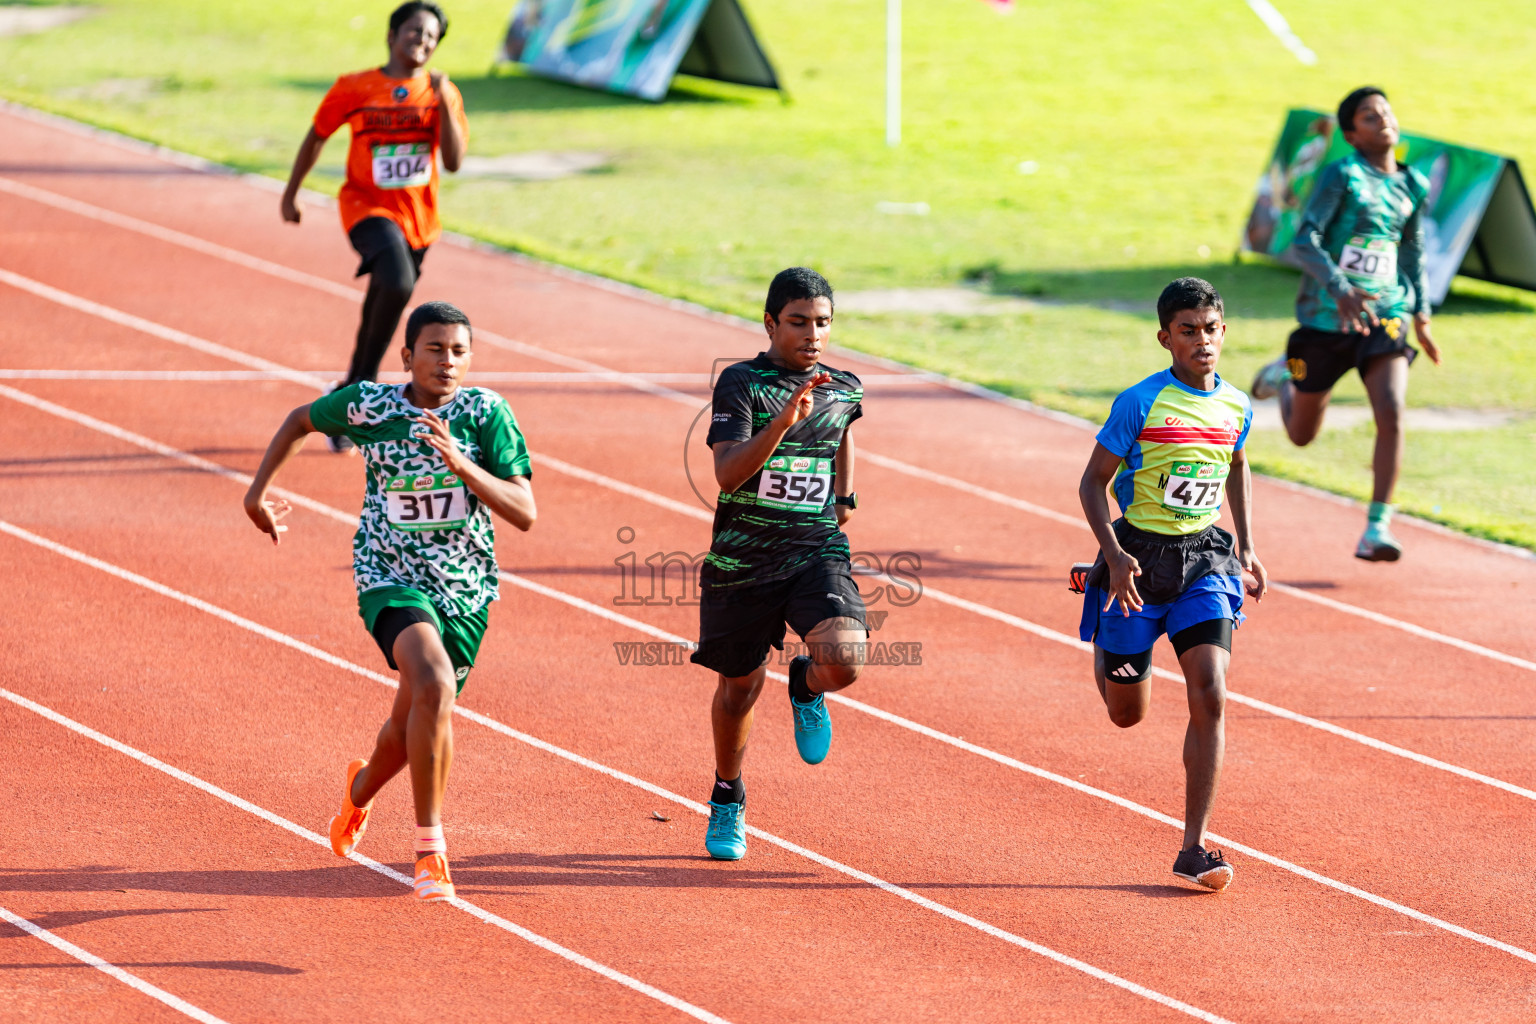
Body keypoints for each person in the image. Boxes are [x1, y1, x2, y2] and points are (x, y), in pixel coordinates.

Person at [243, 301, 535, 900]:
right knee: (433, 684)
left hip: (465, 588)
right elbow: (301, 419)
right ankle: (431, 853)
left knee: (405, 735)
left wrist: (462, 464)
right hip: (389, 574)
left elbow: (524, 512)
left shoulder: (486, 415)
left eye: (459, 351)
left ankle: (357, 795)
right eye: (434, 349)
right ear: (407, 355)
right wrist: (257, 494)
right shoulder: (368, 406)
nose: (447, 361)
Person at [1073, 278, 1266, 892]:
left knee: (1210, 691)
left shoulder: (1237, 404)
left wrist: (1249, 546)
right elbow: (1092, 483)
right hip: (1138, 559)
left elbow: (1236, 464)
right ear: (1166, 338)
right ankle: (1111, 638)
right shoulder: (1140, 402)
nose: (1201, 341)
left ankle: (1194, 847)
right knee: (1125, 714)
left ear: (1223, 332)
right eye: (1188, 331)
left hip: (1204, 560)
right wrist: (1113, 553)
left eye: (1210, 329)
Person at [692, 268, 866, 861]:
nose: (812, 334)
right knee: (738, 691)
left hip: (814, 550)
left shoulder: (844, 386)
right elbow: (727, 472)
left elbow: (842, 430)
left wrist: (844, 497)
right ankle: (727, 795)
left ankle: (806, 683)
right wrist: (782, 423)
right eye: (798, 322)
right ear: (771, 323)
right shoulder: (742, 383)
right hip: (742, 561)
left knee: (844, 660)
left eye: (822, 323)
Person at [1251, 86, 1441, 561]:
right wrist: (1339, 287)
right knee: (1300, 434)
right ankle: (1284, 377)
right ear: (1353, 134)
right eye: (1369, 117)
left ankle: (1376, 529)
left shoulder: (1413, 184)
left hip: (1386, 316)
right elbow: (1304, 239)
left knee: (1392, 409)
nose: (1383, 120)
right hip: (1324, 319)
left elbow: (1411, 251)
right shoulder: (1344, 174)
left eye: (1386, 111)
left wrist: (1420, 313)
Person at [280, 1, 469, 455]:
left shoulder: (442, 91)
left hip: (419, 220)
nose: (421, 42)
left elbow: (454, 161)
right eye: (413, 32)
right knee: (396, 279)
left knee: (391, 290)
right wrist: (291, 193)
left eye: (430, 38)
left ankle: (351, 388)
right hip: (365, 207)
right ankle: (362, 383)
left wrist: (442, 100)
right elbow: (317, 135)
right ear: (391, 35)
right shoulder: (355, 87)